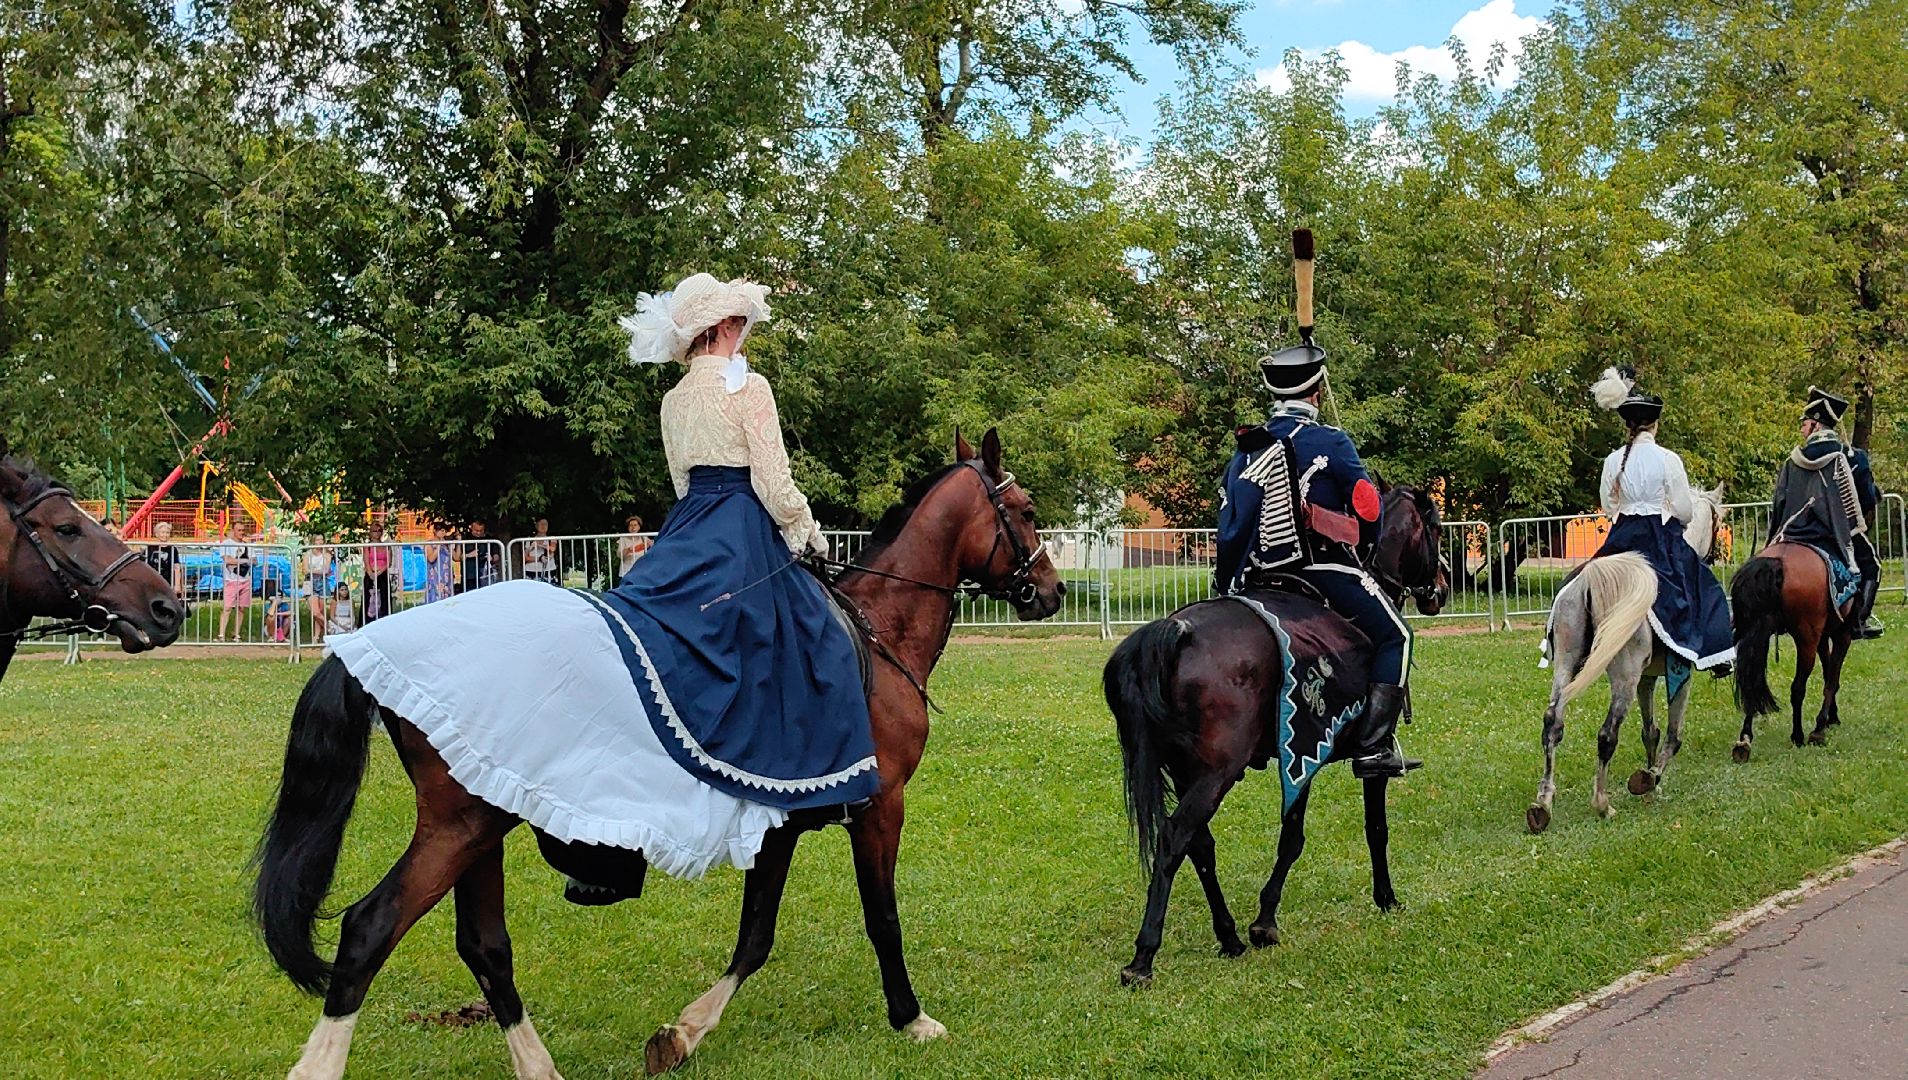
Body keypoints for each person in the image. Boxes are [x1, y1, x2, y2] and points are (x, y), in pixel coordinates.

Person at [596, 271, 879, 811]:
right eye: (742, 323)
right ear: (725, 325)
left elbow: (681, 479)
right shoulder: (751, 388)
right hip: (741, 525)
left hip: (688, 523)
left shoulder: (673, 399)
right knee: (822, 638)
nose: (745, 332)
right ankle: (833, 790)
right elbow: (772, 481)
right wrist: (809, 535)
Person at [1213, 325, 1418, 780]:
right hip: (1322, 569)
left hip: (1257, 575)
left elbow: (1230, 516)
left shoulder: (1247, 448)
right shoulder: (1331, 442)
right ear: (1318, 390)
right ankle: (1373, 747)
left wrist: (1228, 583)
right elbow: (1368, 506)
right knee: (1397, 637)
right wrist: (1363, 548)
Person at [1587, 366, 1735, 673]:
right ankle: (1716, 657)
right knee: (1705, 587)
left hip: (1622, 536)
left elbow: (1608, 506)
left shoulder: (1613, 460)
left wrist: (1627, 511)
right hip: (1660, 534)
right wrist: (1675, 523)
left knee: (1585, 579)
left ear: (1628, 425)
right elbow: (1684, 510)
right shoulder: (1668, 459)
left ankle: (1557, 639)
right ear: (1655, 424)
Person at [1770, 387, 1882, 637]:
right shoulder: (1854, 458)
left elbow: (1780, 500)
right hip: (1837, 535)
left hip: (1795, 532)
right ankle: (1858, 623)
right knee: (1872, 566)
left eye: (1804, 424)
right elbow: (1865, 499)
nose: (1802, 429)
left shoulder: (1793, 460)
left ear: (1815, 425)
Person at [218, 522, 255, 641]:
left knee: (241, 608)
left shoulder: (248, 546)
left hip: (245, 579)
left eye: (243, 530)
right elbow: (227, 560)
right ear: (233, 530)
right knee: (227, 607)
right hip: (231, 580)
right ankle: (221, 634)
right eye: (239, 530)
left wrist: (239, 561)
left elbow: (254, 560)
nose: (241, 533)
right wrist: (244, 561)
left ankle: (236, 634)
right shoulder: (226, 544)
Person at [362, 521, 394, 621]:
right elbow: (366, 561)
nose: (377, 533)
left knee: (384, 597)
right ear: (370, 533)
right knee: (368, 597)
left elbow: (388, 562)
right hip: (370, 573)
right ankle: (366, 620)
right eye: (374, 531)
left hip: (382, 573)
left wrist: (380, 572)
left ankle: (385, 618)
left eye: (379, 530)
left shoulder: (386, 546)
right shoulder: (368, 546)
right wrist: (370, 573)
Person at [303, 537, 334, 638]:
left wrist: (314, 570)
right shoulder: (307, 554)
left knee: (320, 611)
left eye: (321, 540)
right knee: (316, 612)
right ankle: (330, 628)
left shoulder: (327, 555)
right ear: (313, 541)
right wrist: (319, 571)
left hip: (322, 582)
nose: (319, 542)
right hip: (310, 582)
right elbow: (305, 571)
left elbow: (326, 571)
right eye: (317, 540)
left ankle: (316, 637)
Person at [459, 519, 500, 593]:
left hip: (486, 575)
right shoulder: (465, 538)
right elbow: (458, 557)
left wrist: (492, 558)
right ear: (471, 527)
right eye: (476, 530)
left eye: (481, 530)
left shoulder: (490, 539)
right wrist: (469, 555)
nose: (478, 533)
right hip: (469, 575)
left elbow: (497, 556)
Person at [423, 522, 455, 603]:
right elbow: (431, 558)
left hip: (447, 576)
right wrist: (439, 545)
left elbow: (456, 557)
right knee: (435, 598)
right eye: (441, 530)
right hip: (435, 577)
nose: (443, 533)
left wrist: (458, 542)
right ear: (434, 531)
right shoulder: (429, 543)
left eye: (444, 531)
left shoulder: (446, 544)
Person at [524, 518, 560, 585]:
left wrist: (539, 545)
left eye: (545, 524)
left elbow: (552, 549)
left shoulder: (551, 538)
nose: (543, 526)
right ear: (536, 526)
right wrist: (539, 558)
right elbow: (525, 558)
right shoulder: (530, 539)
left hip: (548, 570)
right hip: (531, 570)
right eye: (541, 524)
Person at [617, 515, 651, 579]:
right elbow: (619, 555)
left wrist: (649, 544)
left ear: (639, 527)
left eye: (635, 525)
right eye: (631, 525)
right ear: (628, 527)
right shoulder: (623, 538)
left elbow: (652, 544)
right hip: (626, 570)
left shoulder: (643, 537)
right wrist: (628, 550)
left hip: (640, 570)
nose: (633, 527)